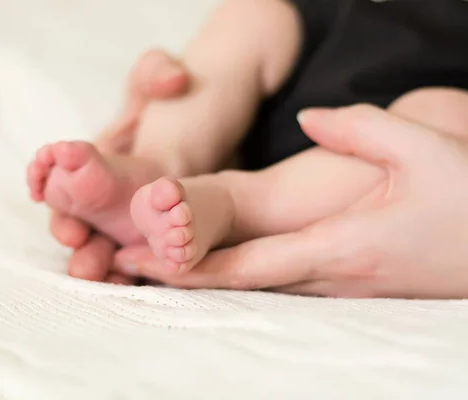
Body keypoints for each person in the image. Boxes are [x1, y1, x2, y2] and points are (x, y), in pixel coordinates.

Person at [27, 0, 468, 296]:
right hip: (311, 57)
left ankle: (229, 204)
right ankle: (158, 164)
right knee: (254, 14)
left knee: (445, 118)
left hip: (415, 139)